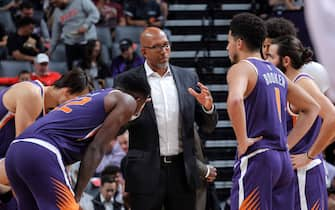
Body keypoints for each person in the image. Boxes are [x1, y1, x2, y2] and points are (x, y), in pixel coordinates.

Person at [4, 71, 151, 209]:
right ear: (138, 99)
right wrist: (78, 195)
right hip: (41, 149)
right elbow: (96, 149)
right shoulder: (127, 101)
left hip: (15, 152)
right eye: (144, 104)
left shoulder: (95, 98)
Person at [114, 26, 218, 210]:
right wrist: (133, 114)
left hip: (182, 170)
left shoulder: (188, 77)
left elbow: (207, 126)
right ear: (143, 51)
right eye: (156, 47)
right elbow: (119, 128)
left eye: (166, 45)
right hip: (146, 170)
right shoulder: (127, 80)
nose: (163, 51)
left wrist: (207, 107)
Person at [226, 13, 320, 210]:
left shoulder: (241, 68)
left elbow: (234, 100)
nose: (227, 47)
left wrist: (242, 141)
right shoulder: (274, 71)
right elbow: (312, 108)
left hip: (258, 157)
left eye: (229, 41)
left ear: (239, 43)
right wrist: (286, 144)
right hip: (282, 160)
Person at [267, 35, 335, 209]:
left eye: (270, 56)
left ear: (286, 60)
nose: (266, 61)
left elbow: (332, 117)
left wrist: (310, 155)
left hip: (306, 173)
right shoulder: (287, 85)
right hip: (294, 173)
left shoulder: (303, 83)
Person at [263, 17, 330, 94]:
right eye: (264, 46)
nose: (265, 51)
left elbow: (327, 103)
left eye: (268, 46)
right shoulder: (268, 71)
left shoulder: (315, 71)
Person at [51, 0, 100, 70]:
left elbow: (95, 13)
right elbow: (55, 32)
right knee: (72, 71)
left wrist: (85, 26)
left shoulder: (81, 1)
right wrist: (51, 50)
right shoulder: (57, 12)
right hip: (70, 43)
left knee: (88, 69)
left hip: (87, 41)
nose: (55, 5)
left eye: (56, 2)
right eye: (53, 3)